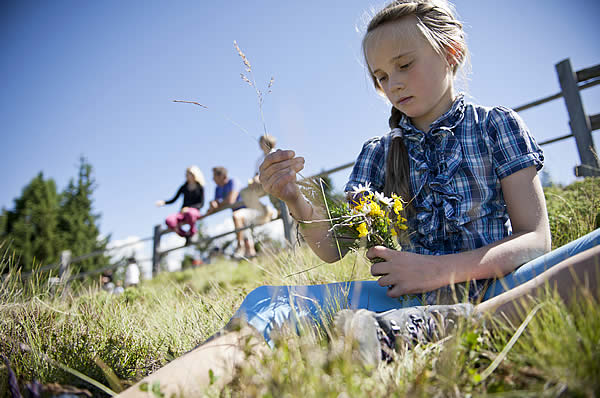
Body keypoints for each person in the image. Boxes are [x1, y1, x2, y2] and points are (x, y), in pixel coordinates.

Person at [116, 1, 600, 396]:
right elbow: (333, 245)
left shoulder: (498, 126)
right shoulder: (378, 153)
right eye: (379, 77)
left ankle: (453, 325)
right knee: (269, 303)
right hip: (395, 301)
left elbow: (536, 240)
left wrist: (437, 270)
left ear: (452, 52)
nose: (392, 84)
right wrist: (297, 203)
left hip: (507, 285)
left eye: (404, 65)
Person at [204, 166, 256, 259]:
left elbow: (230, 200)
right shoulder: (217, 188)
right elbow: (216, 204)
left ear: (222, 176)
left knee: (245, 233)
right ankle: (249, 256)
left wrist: (218, 203)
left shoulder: (233, 182)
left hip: (248, 210)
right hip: (237, 215)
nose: (213, 180)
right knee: (245, 234)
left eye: (214, 177)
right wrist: (213, 205)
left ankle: (241, 247)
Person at [155, 166, 205, 240]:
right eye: (186, 174)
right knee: (169, 220)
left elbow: (201, 204)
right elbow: (174, 199)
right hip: (182, 213)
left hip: (193, 212)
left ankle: (192, 232)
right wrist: (164, 202)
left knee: (190, 213)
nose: (187, 176)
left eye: (189, 174)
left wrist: (189, 208)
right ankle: (184, 234)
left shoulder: (200, 187)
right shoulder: (184, 187)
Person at [240, 134, 277, 224]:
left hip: (275, 183)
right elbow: (256, 175)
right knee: (245, 192)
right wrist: (253, 181)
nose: (260, 144)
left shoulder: (276, 153)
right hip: (262, 185)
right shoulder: (259, 160)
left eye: (262, 142)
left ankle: (278, 209)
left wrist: (260, 178)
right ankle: (265, 211)